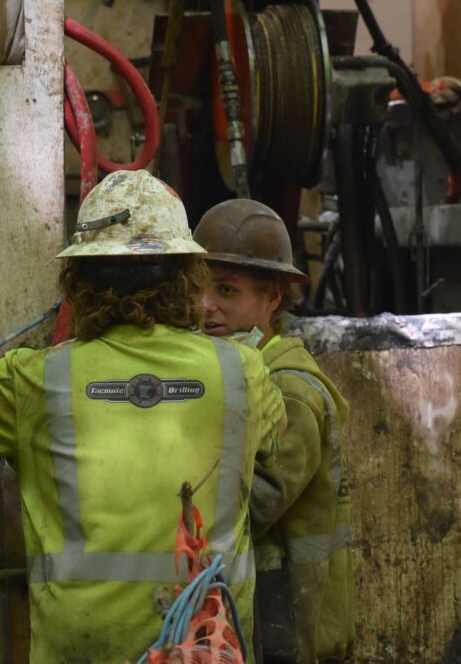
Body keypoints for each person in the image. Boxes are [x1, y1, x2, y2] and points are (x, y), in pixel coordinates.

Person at [0, 170, 286, 663]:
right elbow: (274, 433)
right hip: (206, 647)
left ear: (80, 279)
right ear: (188, 276)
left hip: (82, 648)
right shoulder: (243, 371)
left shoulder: (39, 379)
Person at [194, 199, 356, 664]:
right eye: (198, 288)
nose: (206, 307)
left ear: (273, 298)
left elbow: (253, 507)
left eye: (226, 290)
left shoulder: (291, 389)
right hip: (259, 619)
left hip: (290, 625)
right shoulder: (232, 373)